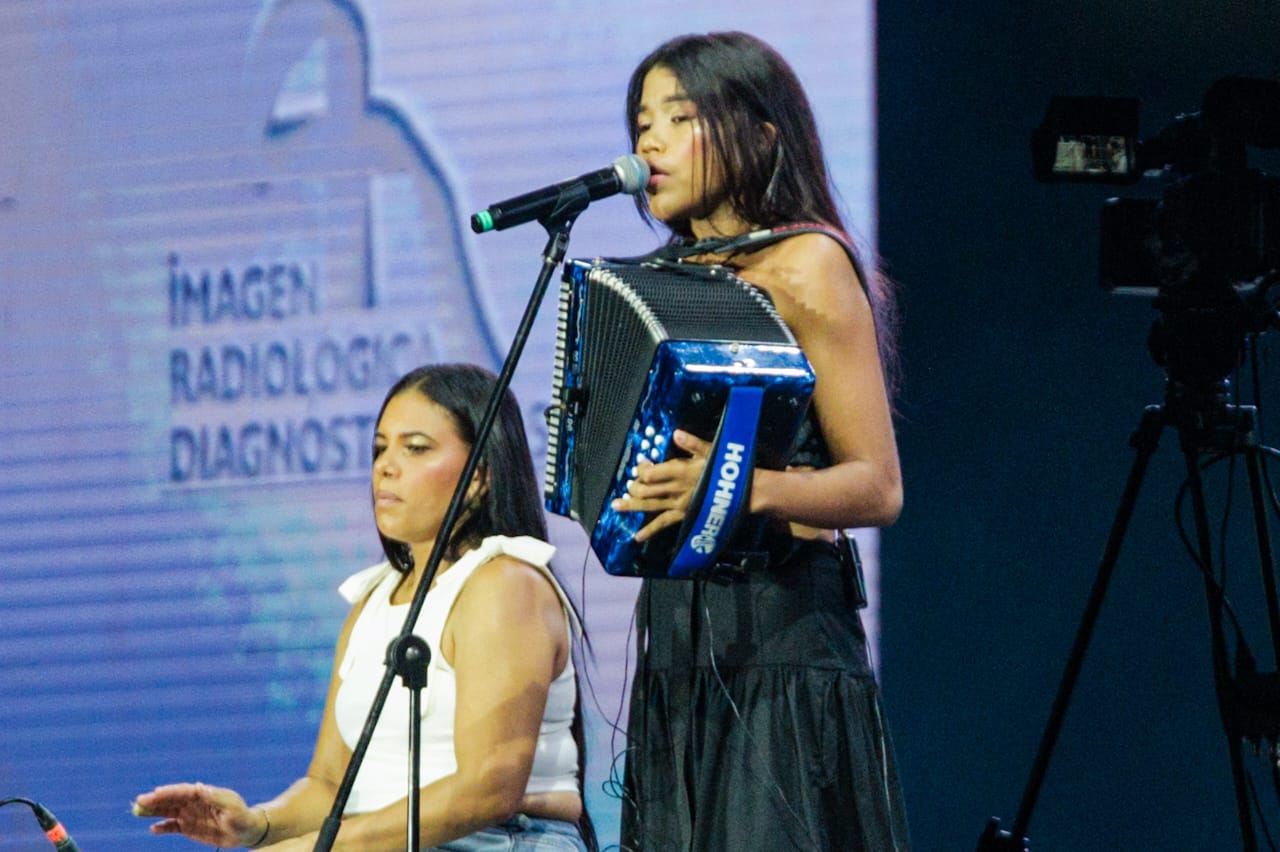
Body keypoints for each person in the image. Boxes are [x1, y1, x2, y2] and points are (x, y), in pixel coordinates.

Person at [613, 32, 911, 851]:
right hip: (679, 647)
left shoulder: (808, 263)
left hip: (783, 637)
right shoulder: (667, 281)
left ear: (761, 133)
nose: (650, 143)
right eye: (642, 123)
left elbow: (878, 486)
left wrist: (740, 487)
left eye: (679, 118)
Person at [134, 363, 597, 852]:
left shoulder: (504, 584)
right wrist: (258, 825)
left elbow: (487, 788)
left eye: (415, 448)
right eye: (380, 448)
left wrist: (315, 849)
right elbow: (330, 786)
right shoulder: (374, 599)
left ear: (480, 478)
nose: (386, 467)